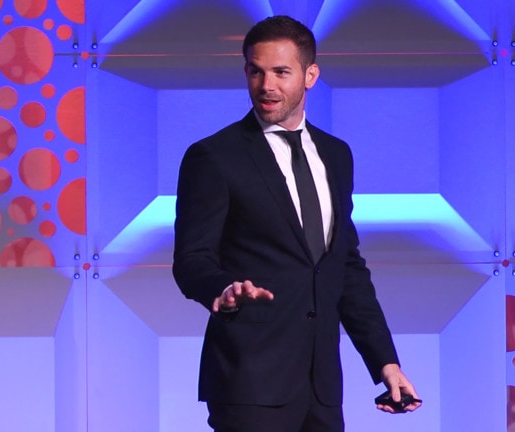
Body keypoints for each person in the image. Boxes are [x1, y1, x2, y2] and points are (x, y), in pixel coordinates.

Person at [172, 15, 421, 432]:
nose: (266, 85)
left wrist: (385, 364)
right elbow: (191, 259)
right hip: (249, 384)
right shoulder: (214, 157)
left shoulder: (336, 155)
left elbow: (345, 267)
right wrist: (223, 290)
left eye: (280, 72)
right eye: (255, 71)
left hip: (321, 389)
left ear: (310, 76)